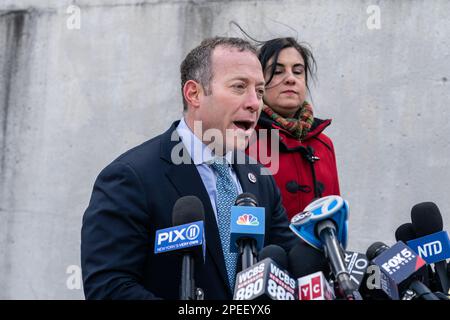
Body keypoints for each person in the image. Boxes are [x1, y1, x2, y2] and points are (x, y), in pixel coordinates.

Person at [81, 37, 299, 300]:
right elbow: (109, 288)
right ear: (194, 94)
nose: (255, 103)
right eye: (239, 87)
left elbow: (289, 265)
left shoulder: (259, 178)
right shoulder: (130, 177)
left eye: (260, 91)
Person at [247, 37, 340, 220]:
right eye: (278, 71)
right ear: (259, 81)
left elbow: (336, 217)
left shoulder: (324, 144)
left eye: (298, 71)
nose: (290, 79)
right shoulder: (243, 139)